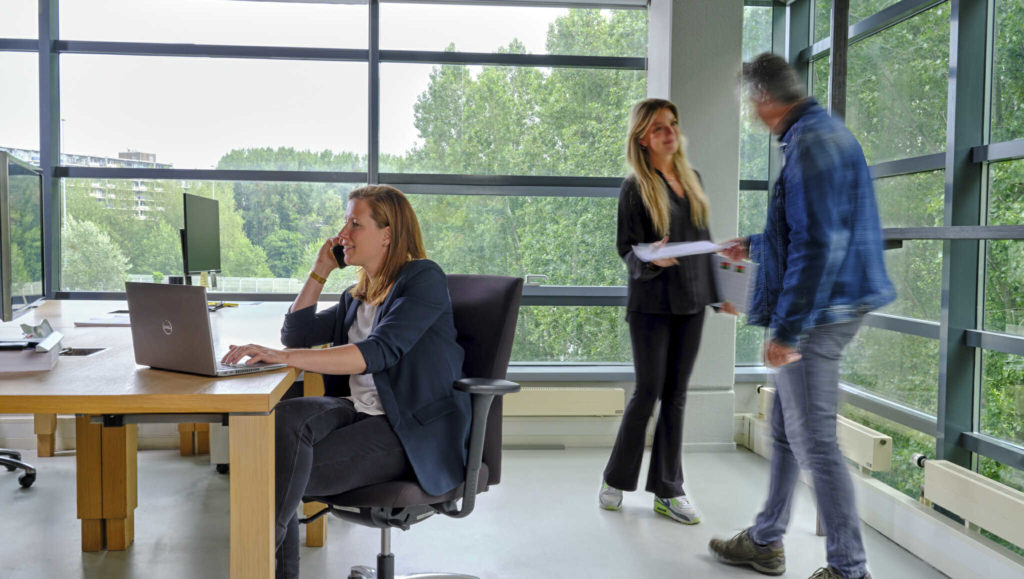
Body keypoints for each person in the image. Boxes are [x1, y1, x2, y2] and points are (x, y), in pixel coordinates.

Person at [708, 53, 895, 579]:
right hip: (837, 302)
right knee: (788, 430)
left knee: (814, 440)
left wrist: (788, 331)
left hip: (819, 312)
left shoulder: (809, 145)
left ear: (764, 99)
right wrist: (756, 244)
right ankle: (767, 539)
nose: (750, 111)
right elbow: (808, 230)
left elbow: (818, 246)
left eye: (750, 102)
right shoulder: (823, 133)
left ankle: (848, 568)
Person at [221, 185, 470, 579]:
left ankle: (257, 567)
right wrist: (319, 271)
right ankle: (265, 567)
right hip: (358, 412)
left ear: (387, 234)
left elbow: (377, 352)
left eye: (355, 223)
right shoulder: (359, 294)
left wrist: (283, 359)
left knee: (272, 472)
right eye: (345, 222)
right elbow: (296, 334)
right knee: (285, 417)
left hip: (406, 429)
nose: (343, 233)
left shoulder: (422, 279)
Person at [598, 98, 731, 525]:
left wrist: (719, 294)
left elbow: (706, 244)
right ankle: (616, 480)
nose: (669, 132)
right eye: (658, 128)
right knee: (648, 393)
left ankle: (668, 491)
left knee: (676, 397)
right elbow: (625, 249)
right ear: (642, 138)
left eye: (672, 124)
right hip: (652, 306)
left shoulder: (693, 180)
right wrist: (649, 258)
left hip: (691, 306)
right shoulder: (635, 186)